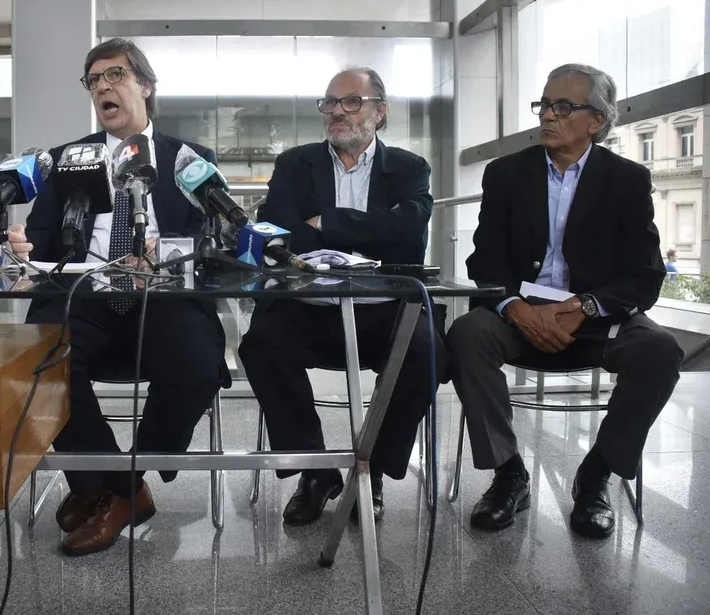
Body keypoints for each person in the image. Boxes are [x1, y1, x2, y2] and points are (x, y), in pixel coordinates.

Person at [7, 38, 228, 556]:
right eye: (93, 80)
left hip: (166, 299)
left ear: (144, 86)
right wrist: (21, 246)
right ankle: (117, 490)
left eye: (115, 75)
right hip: (85, 295)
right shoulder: (66, 159)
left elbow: (213, 240)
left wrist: (168, 257)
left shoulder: (189, 159)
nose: (102, 87)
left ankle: (115, 484)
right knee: (41, 360)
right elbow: (41, 241)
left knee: (199, 361)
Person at [447, 63, 682, 539]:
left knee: (659, 350)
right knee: (466, 334)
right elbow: (484, 262)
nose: (547, 115)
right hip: (519, 316)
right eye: (544, 105)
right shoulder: (505, 173)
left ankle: (596, 474)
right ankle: (509, 473)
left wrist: (583, 307)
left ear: (596, 121)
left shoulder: (627, 179)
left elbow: (645, 276)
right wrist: (515, 308)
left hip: (596, 318)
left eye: (563, 107)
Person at [236, 66, 444, 526]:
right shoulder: (296, 164)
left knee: (426, 351)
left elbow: (410, 233)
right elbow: (282, 235)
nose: (337, 111)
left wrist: (326, 222)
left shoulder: (409, 168)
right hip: (307, 305)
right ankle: (315, 470)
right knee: (260, 345)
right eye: (330, 102)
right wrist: (373, 228)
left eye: (351, 102)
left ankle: (371, 472)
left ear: (380, 112)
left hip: (382, 308)